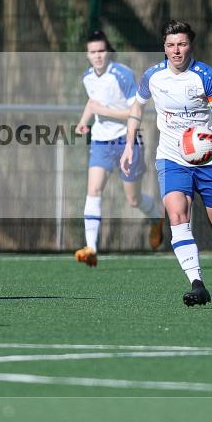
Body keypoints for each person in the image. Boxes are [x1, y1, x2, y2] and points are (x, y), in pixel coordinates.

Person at [121, 20, 212, 306]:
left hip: (209, 159)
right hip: (171, 157)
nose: (176, 51)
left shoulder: (204, 76)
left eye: (181, 44)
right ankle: (197, 283)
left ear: (190, 45)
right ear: (164, 48)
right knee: (177, 215)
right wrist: (129, 145)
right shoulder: (153, 76)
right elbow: (137, 107)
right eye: (170, 45)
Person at [74, 30, 164, 267]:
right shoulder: (87, 77)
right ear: (87, 54)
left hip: (127, 141)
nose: (98, 56)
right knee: (93, 190)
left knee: (133, 200)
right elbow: (92, 102)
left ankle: (156, 219)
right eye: (93, 52)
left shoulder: (122, 74)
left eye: (101, 51)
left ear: (108, 51)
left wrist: (105, 112)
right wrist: (84, 122)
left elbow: (136, 111)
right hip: (101, 142)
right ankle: (91, 248)